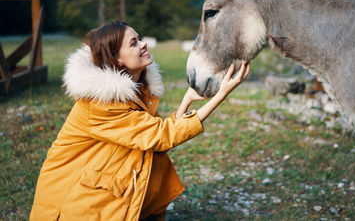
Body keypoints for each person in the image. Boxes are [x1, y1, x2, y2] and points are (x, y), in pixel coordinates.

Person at [30, 21, 250, 221]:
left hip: (96, 186)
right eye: (134, 43)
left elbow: (151, 134)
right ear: (117, 58)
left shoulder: (135, 89)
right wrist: (221, 94)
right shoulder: (101, 103)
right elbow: (161, 136)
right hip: (71, 203)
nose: (144, 45)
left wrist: (188, 99)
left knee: (154, 162)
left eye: (140, 38)